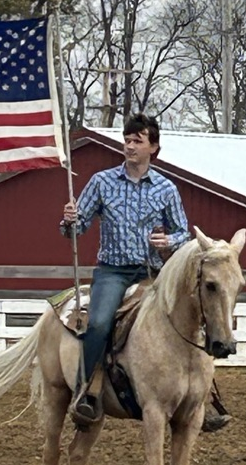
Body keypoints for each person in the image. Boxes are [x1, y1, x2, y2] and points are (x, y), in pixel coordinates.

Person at [60, 112, 230, 432]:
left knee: (191, 317)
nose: (130, 146)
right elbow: (75, 229)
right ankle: (85, 391)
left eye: (137, 141)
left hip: (153, 274)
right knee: (98, 322)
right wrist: (70, 219)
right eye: (127, 140)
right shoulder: (102, 182)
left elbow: (184, 232)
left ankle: (202, 397)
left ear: (153, 147)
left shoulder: (166, 189)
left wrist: (169, 240)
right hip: (113, 271)